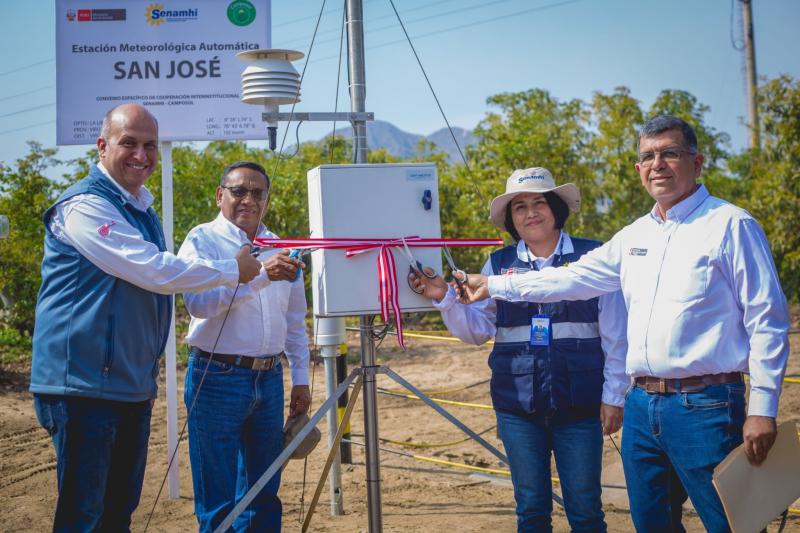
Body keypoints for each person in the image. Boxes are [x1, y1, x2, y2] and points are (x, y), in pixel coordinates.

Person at [460, 116, 791, 532]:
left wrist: (762, 408)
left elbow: (768, 321)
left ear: (697, 162)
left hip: (706, 405)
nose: (658, 164)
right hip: (641, 406)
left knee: (728, 523)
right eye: (648, 156)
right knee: (651, 522)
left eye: (670, 153)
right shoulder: (634, 236)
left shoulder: (730, 225)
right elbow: (569, 279)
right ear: (638, 169)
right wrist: (492, 284)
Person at [29, 103, 263, 532]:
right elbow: (153, 270)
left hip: (128, 385)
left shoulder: (141, 208)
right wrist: (233, 269)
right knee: (84, 516)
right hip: (82, 385)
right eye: (129, 143)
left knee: (117, 513)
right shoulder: (84, 206)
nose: (142, 155)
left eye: (150, 145)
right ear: (102, 147)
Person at [411, 167, 628, 532]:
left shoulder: (593, 257)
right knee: (531, 510)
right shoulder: (497, 265)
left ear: (556, 208)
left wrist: (614, 396)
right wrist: (444, 297)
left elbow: (616, 336)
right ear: (511, 219)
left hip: (581, 405)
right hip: (517, 408)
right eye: (520, 207)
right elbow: (477, 330)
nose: (531, 213)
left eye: (539, 202)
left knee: (586, 511)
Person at [177, 161, 310, 532]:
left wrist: (300, 379)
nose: (248, 199)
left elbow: (295, 320)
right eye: (239, 191)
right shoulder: (202, 240)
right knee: (217, 497)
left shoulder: (281, 246)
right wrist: (261, 276)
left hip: (269, 377)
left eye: (257, 192)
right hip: (216, 375)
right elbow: (198, 304)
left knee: (263, 492)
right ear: (220, 195)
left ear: (267, 199)